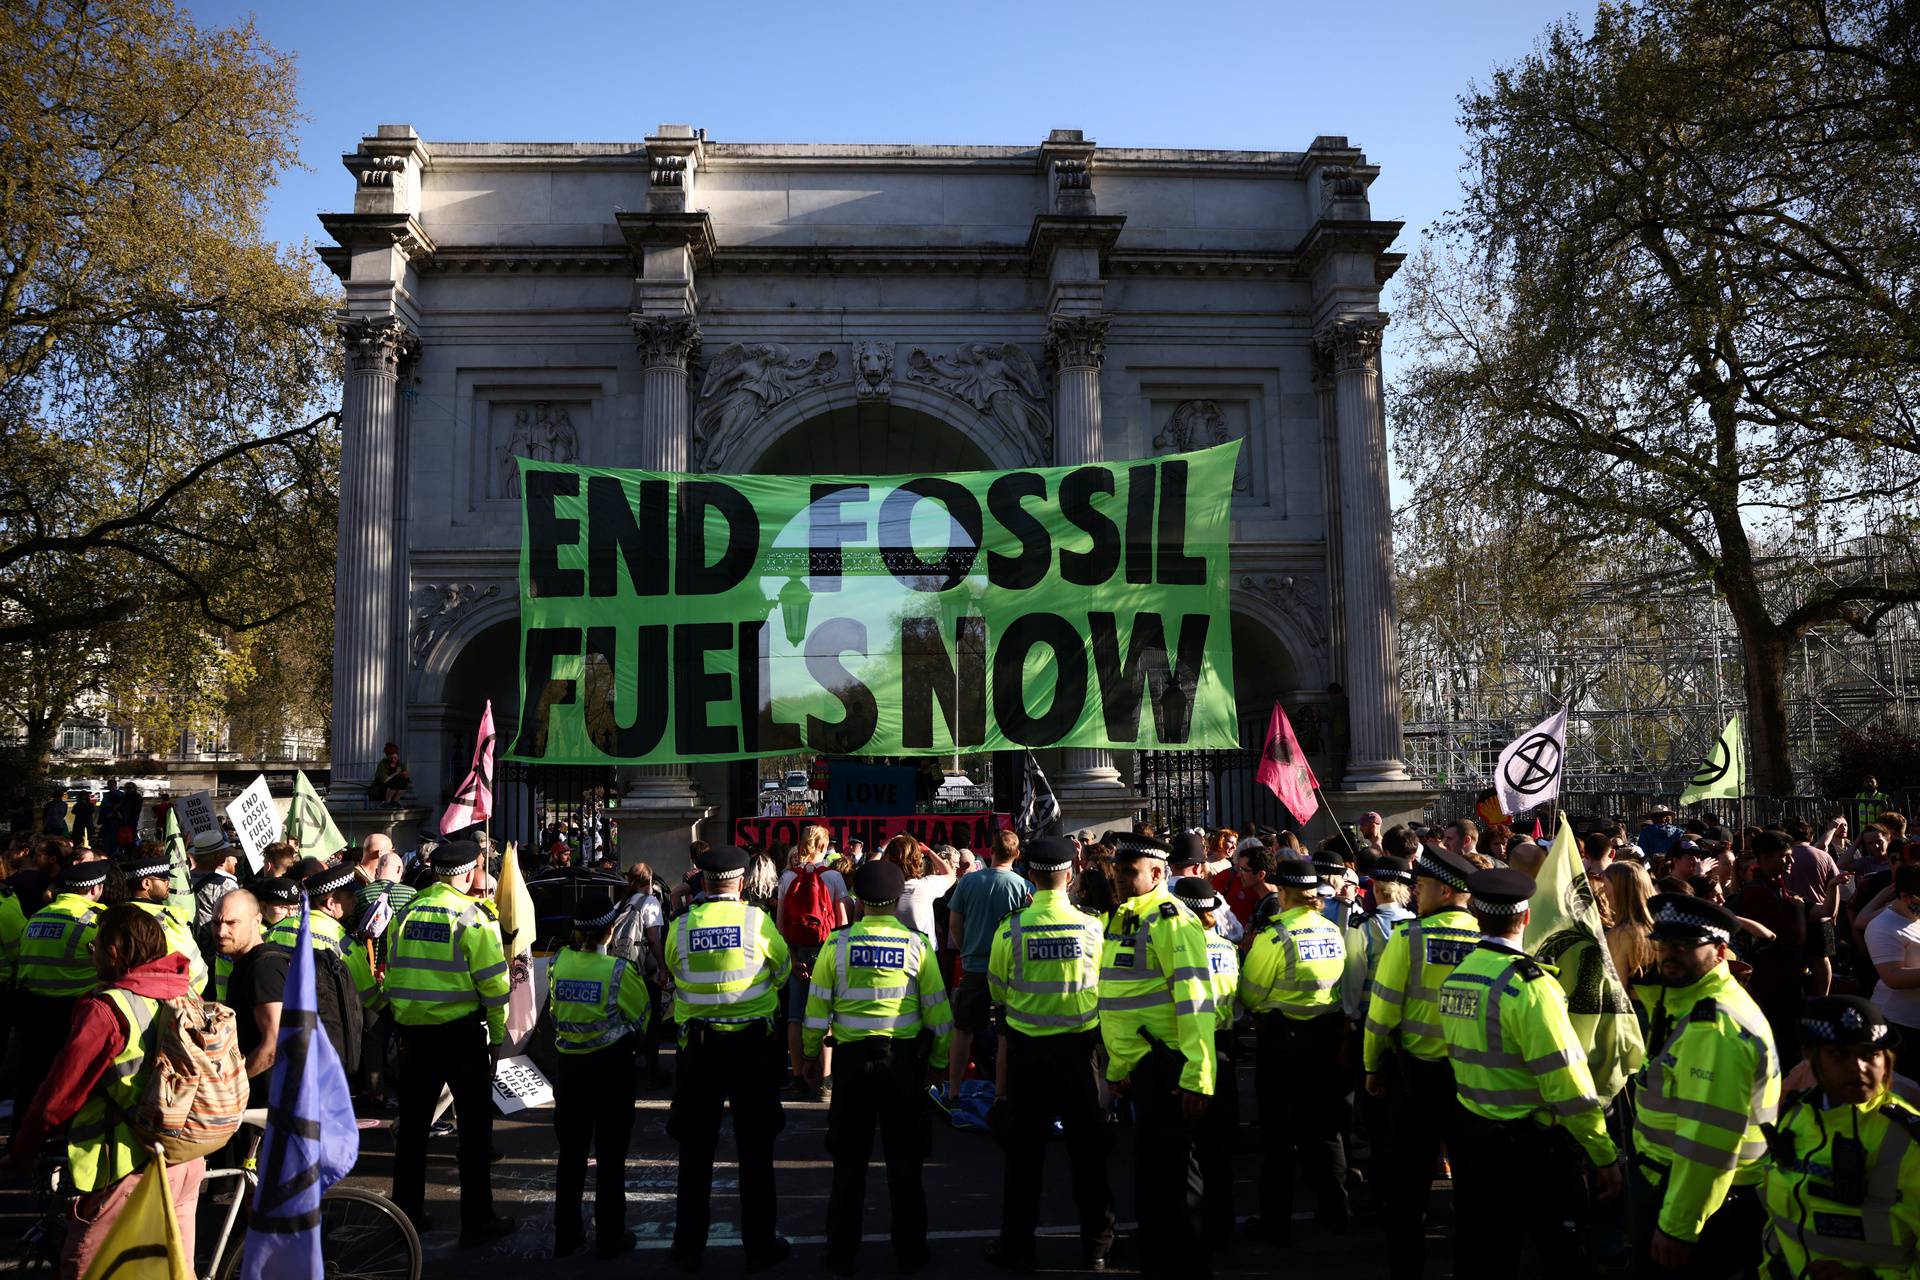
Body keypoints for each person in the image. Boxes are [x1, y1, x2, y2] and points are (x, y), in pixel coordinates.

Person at [1438, 868, 1623, 1278]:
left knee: (1483, 1253)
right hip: (1532, 1150)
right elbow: (1567, 1083)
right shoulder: (1530, 987)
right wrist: (1603, 1153)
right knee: (1562, 1257)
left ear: (1476, 913)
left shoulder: (1460, 975)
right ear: (1525, 919)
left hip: (1474, 1138)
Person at [8, 904, 207, 1274]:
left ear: (112, 951)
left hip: (126, 1164)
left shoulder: (108, 1009)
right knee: (172, 1269)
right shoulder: (184, 993)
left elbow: (58, 1095)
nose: (92, 954)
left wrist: (22, 1150)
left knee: (87, 1266)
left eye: (94, 947)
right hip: (184, 1156)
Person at [803, 859, 953, 1275]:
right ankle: (911, 1251)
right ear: (896, 899)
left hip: (851, 1066)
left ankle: (840, 1252)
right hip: (903, 1065)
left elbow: (816, 1009)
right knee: (905, 1165)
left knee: (848, 1165)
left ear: (858, 900)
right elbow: (939, 1013)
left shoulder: (836, 945)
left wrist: (812, 1057)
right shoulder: (917, 945)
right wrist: (939, 1063)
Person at [1631, 893, 1781, 1276]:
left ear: (1720, 951)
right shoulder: (1686, 998)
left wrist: (1678, 1227)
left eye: (1684, 946)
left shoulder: (1714, 1027)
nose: (1668, 954)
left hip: (1705, 1202)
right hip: (1686, 1188)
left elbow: (1708, 1143)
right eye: (1663, 944)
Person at [984, 837, 1112, 1272]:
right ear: (1070, 874)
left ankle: (1017, 1247)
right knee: (1089, 1156)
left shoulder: (1012, 927)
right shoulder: (1093, 927)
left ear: (1029, 875)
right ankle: (1096, 1244)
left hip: (1028, 1054)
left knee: (1024, 1160)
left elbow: (998, 989)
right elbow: (1104, 985)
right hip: (1080, 1051)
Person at [664, 845, 792, 1273]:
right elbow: (783, 970)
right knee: (756, 1152)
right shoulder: (757, 921)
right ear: (740, 883)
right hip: (752, 1050)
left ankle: (688, 1248)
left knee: (695, 1153)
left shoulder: (681, 927)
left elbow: (674, 972)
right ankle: (759, 1247)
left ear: (702, 881)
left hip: (698, 1051)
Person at [385, 839, 513, 1245]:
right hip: (460, 1036)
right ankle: (477, 1221)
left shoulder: (405, 912)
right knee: (474, 1132)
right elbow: (495, 986)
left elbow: (392, 968)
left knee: (412, 1133)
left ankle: (406, 1216)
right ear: (469, 872)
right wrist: (497, 1036)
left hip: (413, 1037)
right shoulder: (471, 917)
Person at [1361, 845, 1481, 1280]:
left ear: (1446, 892)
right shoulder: (1487, 940)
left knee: (1407, 1188)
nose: (1417, 894)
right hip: (1473, 1082)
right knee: (1471, 1189)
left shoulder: (1409, 939)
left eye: (1424, 886)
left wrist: (1372, 1066)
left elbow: (1383, 1012)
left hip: (1416, 1080)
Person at [1098, 836, 1215, 1279]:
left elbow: (1196, 1002)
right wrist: (1118, 1067)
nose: (1120, 878)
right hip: (1143, 1068)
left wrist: (1198, 1077)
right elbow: (1120, 999)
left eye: (1130, 872)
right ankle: (1160, 1256)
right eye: (1119, 870)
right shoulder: (1128, 917)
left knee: (1176, 1180)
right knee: (1151, 1175)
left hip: (1169, 1067)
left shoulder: (1171, 922)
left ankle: (1185, 1264)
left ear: (1158, 874)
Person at [1761, 994, 1919, 1276]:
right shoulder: (1795, 1116)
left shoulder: (1906, 1138)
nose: (1858, 1067)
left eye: (1870, 1054)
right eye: (1839, 1054)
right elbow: (1781, 1216)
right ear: (1811, 1058)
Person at [1238, 854, 1351, 1242]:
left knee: (1279, 1136)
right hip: (1325, 1037)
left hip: (1281, 1041)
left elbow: (1251, 992)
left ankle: (1276, 1222)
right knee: (1325, 1130)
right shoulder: (1331, 930)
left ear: (1282, 893)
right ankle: (1336, 1211)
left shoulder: (1275, 936)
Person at [548, 899, 647, 1260]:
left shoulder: (559, 962)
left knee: (571, 1155)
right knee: (610, 1157)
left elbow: (557, 1012)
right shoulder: (619, 970)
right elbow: (642, 1019)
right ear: (610, 930)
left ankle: (567, 1235)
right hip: (610, 1072)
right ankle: (610, 1234)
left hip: (570, 1070)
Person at [1174, 875, 1242, 1246]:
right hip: (1223, 1046)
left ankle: (1192, 1227)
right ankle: (1222, 1224)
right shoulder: (1228, 950)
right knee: (1220, 1147)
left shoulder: (1177, 949)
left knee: (1189, 1147)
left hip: (1189, 1047)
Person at [14, 859, 108, 1122]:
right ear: (94, 889)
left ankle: (23, 1139)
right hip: (73, 1013)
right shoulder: (95, 921)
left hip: (31, 1009)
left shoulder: (39, 915)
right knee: (71, 1080)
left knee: (31, 1075)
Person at [944, 828, 1031, 1100]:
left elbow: (954, 924)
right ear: (1016, 855)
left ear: (990, 851)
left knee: (963, 1029)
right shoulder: (1023, 887)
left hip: (975, 966)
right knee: (1005, 1035)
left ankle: (955, 1090)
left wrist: (966, 946)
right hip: (1009, 970)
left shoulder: (968, 883)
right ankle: (1002, 1094)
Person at [778, 823, 848, 1099]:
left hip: (797, 951)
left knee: (795, 1016)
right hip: (826, 950)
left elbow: (781, 922)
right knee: (825, 1015)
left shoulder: (787, 877)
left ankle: (797, 1075)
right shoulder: (833, 877)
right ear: (823, 846)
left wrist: (793, 956)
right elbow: (842, 922)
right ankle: (826, 1078)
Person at [125, 844, 207, 992]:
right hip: (178, 994)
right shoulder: (162, 921)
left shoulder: (117, 915)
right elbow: (192, 968)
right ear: (146, 883)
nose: (169, 883)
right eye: (163, 879)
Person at [1863, 862, 1920, 1058]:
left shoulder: (1915, 916)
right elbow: (1893, 977)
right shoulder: (1882, 926)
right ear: (1905, 896)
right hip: (1899, 1025)